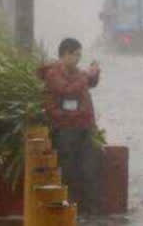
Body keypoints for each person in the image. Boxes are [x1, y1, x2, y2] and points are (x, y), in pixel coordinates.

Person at [38, 38, 101, 215]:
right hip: (65, 128)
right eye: (76, 55)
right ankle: (69, 211)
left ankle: (90, 210)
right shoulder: (54, 73)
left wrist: (94, 74)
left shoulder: (76, 72)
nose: (78, 60)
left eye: (80, 56)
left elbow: (89, 83)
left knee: (89, 168)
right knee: (69, 170)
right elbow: (68, 90)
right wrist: (85, 76)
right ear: (65, 54)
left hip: (83, 127)